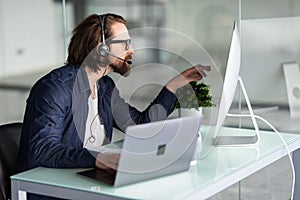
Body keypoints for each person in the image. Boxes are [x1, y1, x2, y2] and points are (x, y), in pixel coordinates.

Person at [17, 13, 210, 199]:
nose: (132, 50)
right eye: (125, 44)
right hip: (52, 191)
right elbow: (41, 149)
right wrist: (97, 158)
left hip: (88, 181)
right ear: (102, 49)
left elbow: (139, 124)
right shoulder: (55, 88)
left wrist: (173, 85)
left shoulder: (105, 86)